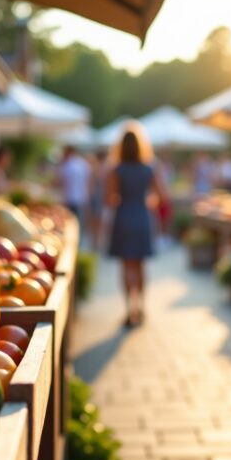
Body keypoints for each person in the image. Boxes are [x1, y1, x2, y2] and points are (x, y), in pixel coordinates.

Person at [106, 125, 168, 327]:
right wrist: (146, 201)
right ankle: (140, 307)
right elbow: (162, 197)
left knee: (126, 265)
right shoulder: (150, 168)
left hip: (123, 217)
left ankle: (128, 309)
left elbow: (109, 198)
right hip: (142, 216)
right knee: (140, 265)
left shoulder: (116, 169)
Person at [56, 145, 91, 225]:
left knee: (70, 223)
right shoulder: (83, 164)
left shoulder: (66, 165)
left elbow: (60, 182)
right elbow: (88, 182)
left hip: (70, 198)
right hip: (81, 198)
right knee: (78, 223)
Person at [88, 150, 109, 250]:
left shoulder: (95, 168)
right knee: (101, 221)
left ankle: (95, 242)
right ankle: (100, 242)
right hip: (102, 196)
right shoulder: (106, 168)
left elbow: (90, 185)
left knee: (95, 220)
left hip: (98, 196)